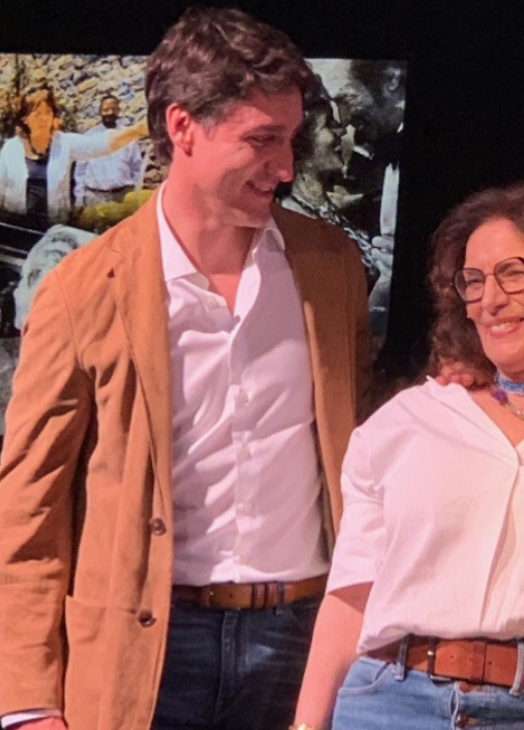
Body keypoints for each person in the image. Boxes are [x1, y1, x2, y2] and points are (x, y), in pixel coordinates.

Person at [0, 7, 372, 730]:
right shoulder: (84, 289)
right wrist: (27, 699)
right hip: (148, 641)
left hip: (300, 638)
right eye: (262, 141)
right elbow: (28, 507)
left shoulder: (331, 269)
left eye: (290, 141)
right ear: (182, 127)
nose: (287, 168)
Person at [291, 178, 524, 730]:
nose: (489, 300)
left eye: (513, 274)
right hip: (391, 704)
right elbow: (351, 599)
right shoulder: (412, 420)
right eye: (474, 281)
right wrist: (306, 725)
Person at [0, 85, 146, 224]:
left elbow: (100, 144)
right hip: (17, 228)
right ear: (25, 119)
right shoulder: (11, 149)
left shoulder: (64, 143)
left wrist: (138, 130)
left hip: (53, 229)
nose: (44, 118)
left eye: (48, 113)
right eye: (37, 114)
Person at [73, 93, 147, 209]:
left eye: (113, 109)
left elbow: (136, 168)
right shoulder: (89, 137)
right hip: (94, 198)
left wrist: (135, 195)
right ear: (99, 112)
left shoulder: (128, 136)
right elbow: (80, 171)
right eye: (105, 110)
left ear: (118, 111)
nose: (109, 113)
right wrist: (79, 198)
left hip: (122, 197)